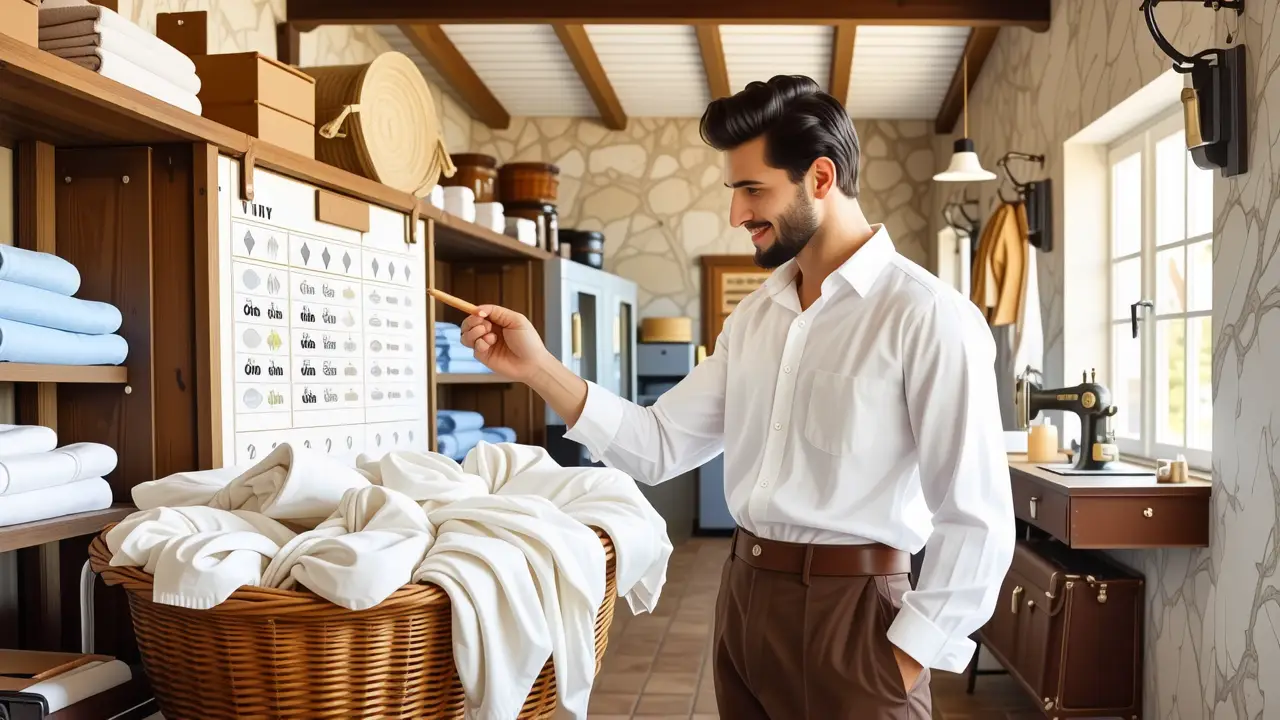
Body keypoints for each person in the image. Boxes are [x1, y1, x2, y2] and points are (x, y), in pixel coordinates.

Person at [457, 74, 1015, 719]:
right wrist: (537, 368)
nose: (737, 214)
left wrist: (904, 660)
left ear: (821, 178)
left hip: (855, 618)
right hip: (745, 602)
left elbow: (975, 516)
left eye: (754, 190)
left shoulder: (928, 315)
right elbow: (659, 444)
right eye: (735, 190)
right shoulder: (755, 319)